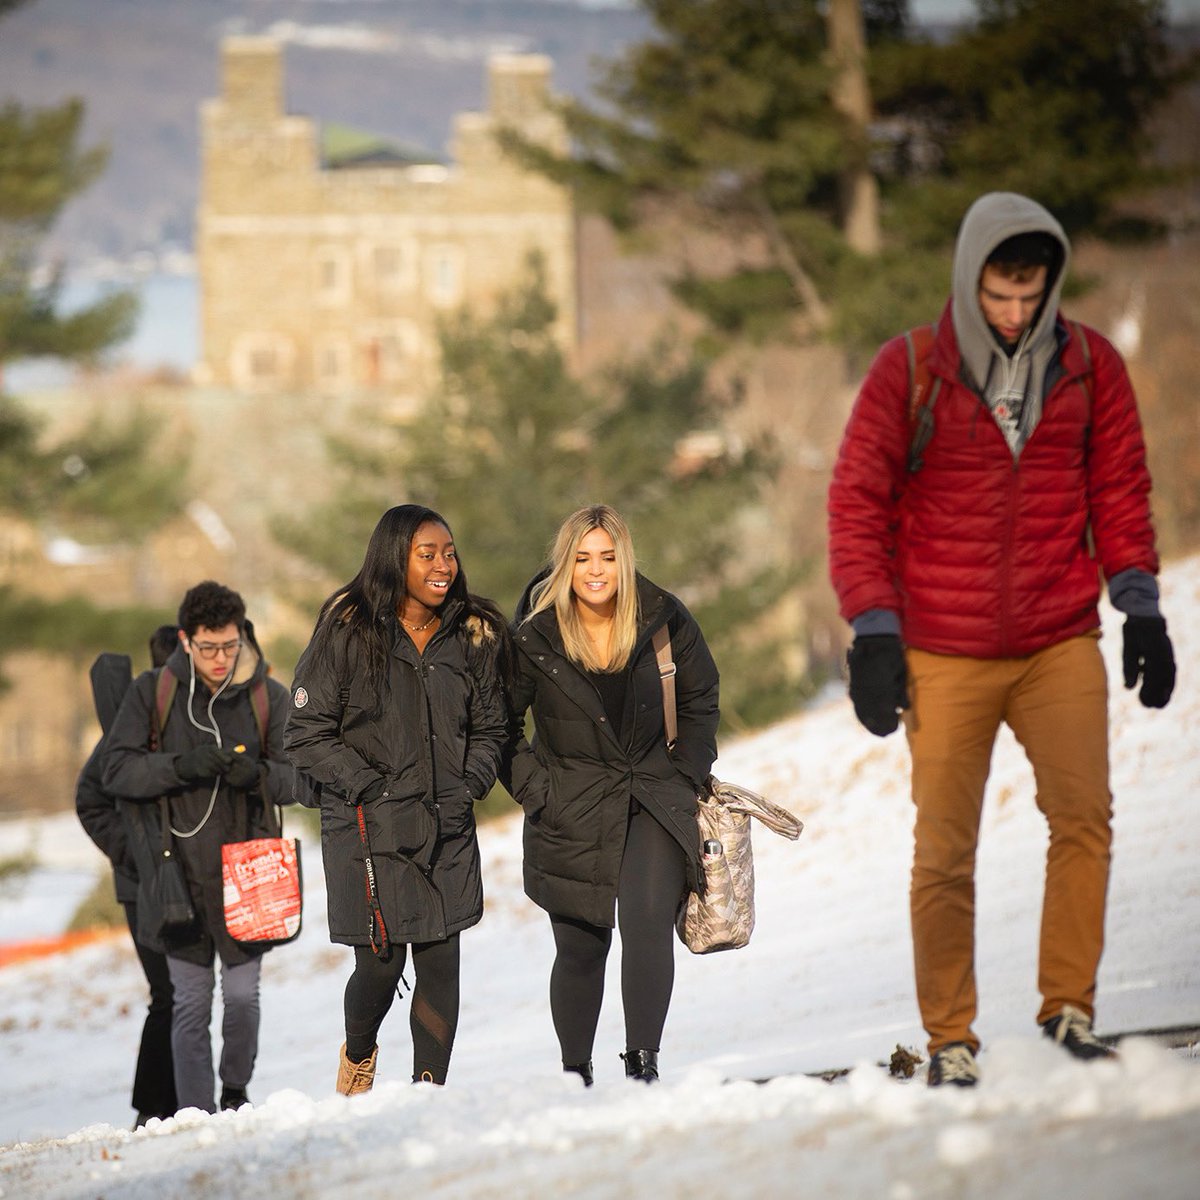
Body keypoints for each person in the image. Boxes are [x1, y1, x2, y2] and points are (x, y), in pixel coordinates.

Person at [827, 191, 1176, 1088]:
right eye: (1000, 295)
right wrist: (874, 630)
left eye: (1031, 296)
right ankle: (951, 1038)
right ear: (969, 277)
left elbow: (1121, 490)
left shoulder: (1090, 366)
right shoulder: (910, 371)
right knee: (945, 848)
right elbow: (856, 504)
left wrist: (1138, 604)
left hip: (1060, 636)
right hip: (942, 649)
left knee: (1085, 819)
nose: (1016, 315)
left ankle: (1069, 1011)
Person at [283, 505, 509, 1094]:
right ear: (394, 559)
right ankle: (358, 1053)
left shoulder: (472, 633)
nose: (444, 566)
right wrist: (370, 787)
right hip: (367, 831)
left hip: (448, 826)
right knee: (380, 970)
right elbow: (304, 733)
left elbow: (493, 728)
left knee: (440, 962)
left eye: (449, 552)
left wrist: (468, 787)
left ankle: (427, 1093)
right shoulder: (349, 630)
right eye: (427, 554)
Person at [505, 504, 719, 1085]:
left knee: (647, 922)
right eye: (582, 558)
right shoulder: (534, 635)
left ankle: (642, 1066)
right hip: (568, 805)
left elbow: (701, 698)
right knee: (581, 948)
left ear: (624, 561)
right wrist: (537, 790)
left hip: (652, 794)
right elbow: (500, 724)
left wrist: (686, 772)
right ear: (565, 564)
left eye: (607, 557)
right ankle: (576, 1074)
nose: (595, 570)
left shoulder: (664, 618)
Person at [102, 582, 296, 1114]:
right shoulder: (152, 693)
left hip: (249, 874)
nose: (219, 658)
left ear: (241, 636)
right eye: (208, 647)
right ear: (186, 640)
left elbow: (303, 780)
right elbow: (113, 771)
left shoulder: (266, 696)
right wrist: (178, 768)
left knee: (242, 999)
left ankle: (235, 1091)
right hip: (174, 878)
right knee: (189, 1005)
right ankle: (195, 1115)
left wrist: (257, 774)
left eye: (229, 646)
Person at [76, 624, 180, 1128]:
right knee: (168, 994)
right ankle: (151, 1107)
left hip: (183, 881)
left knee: (186, 993)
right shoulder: (130, 726)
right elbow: (89, 801)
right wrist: (133, 854)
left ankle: (177, 1101)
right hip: (141, 887)